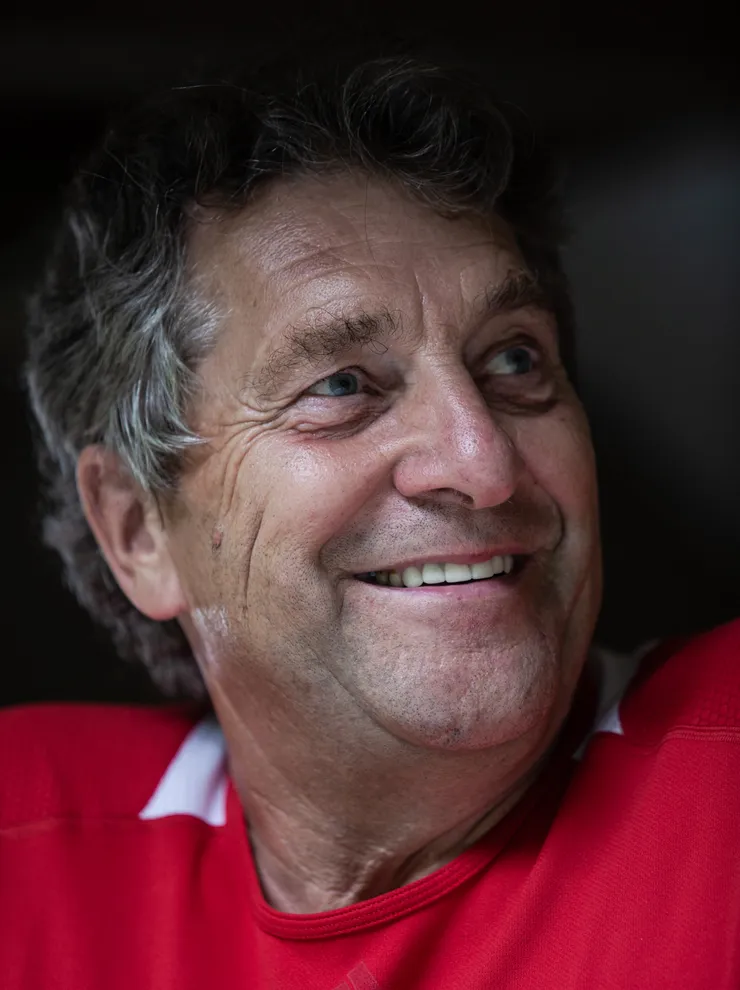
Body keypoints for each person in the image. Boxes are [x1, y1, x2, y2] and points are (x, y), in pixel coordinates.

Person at [3, 48, 739, 989]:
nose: (483, 464)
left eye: (514, 361)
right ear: (139, 530)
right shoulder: (28, 851)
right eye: (342, 385)